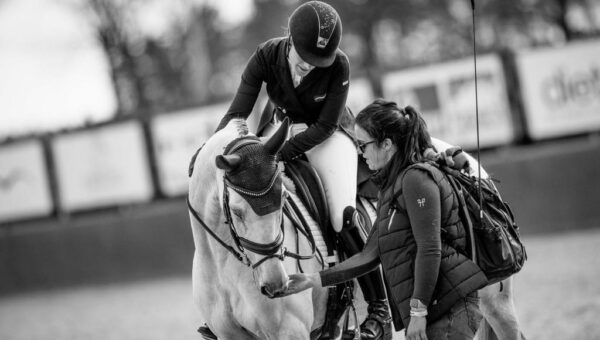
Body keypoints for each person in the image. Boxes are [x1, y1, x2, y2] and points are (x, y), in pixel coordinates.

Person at [205, 2, 391, 339]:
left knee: (342, 214)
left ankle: (378, 308)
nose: (308, 68)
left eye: (316, 63)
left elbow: (324, 125)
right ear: (289, 42)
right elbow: (237, 114)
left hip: (328, 137)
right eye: (303, 60)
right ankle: (222, 303)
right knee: (239, 203)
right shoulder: (266, 56)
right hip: (277, 134)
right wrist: (217, 150)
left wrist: (279, 154)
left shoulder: (339, 65)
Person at [282, 99, 489, 340]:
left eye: (364, 145)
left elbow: (430, 248)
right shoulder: (390, 188)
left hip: (450, 306)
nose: (360, 153)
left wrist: (418, 312)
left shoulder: (416, 179)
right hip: (432, 307)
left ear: (387, 144)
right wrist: (313, 279)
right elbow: (369, 255)